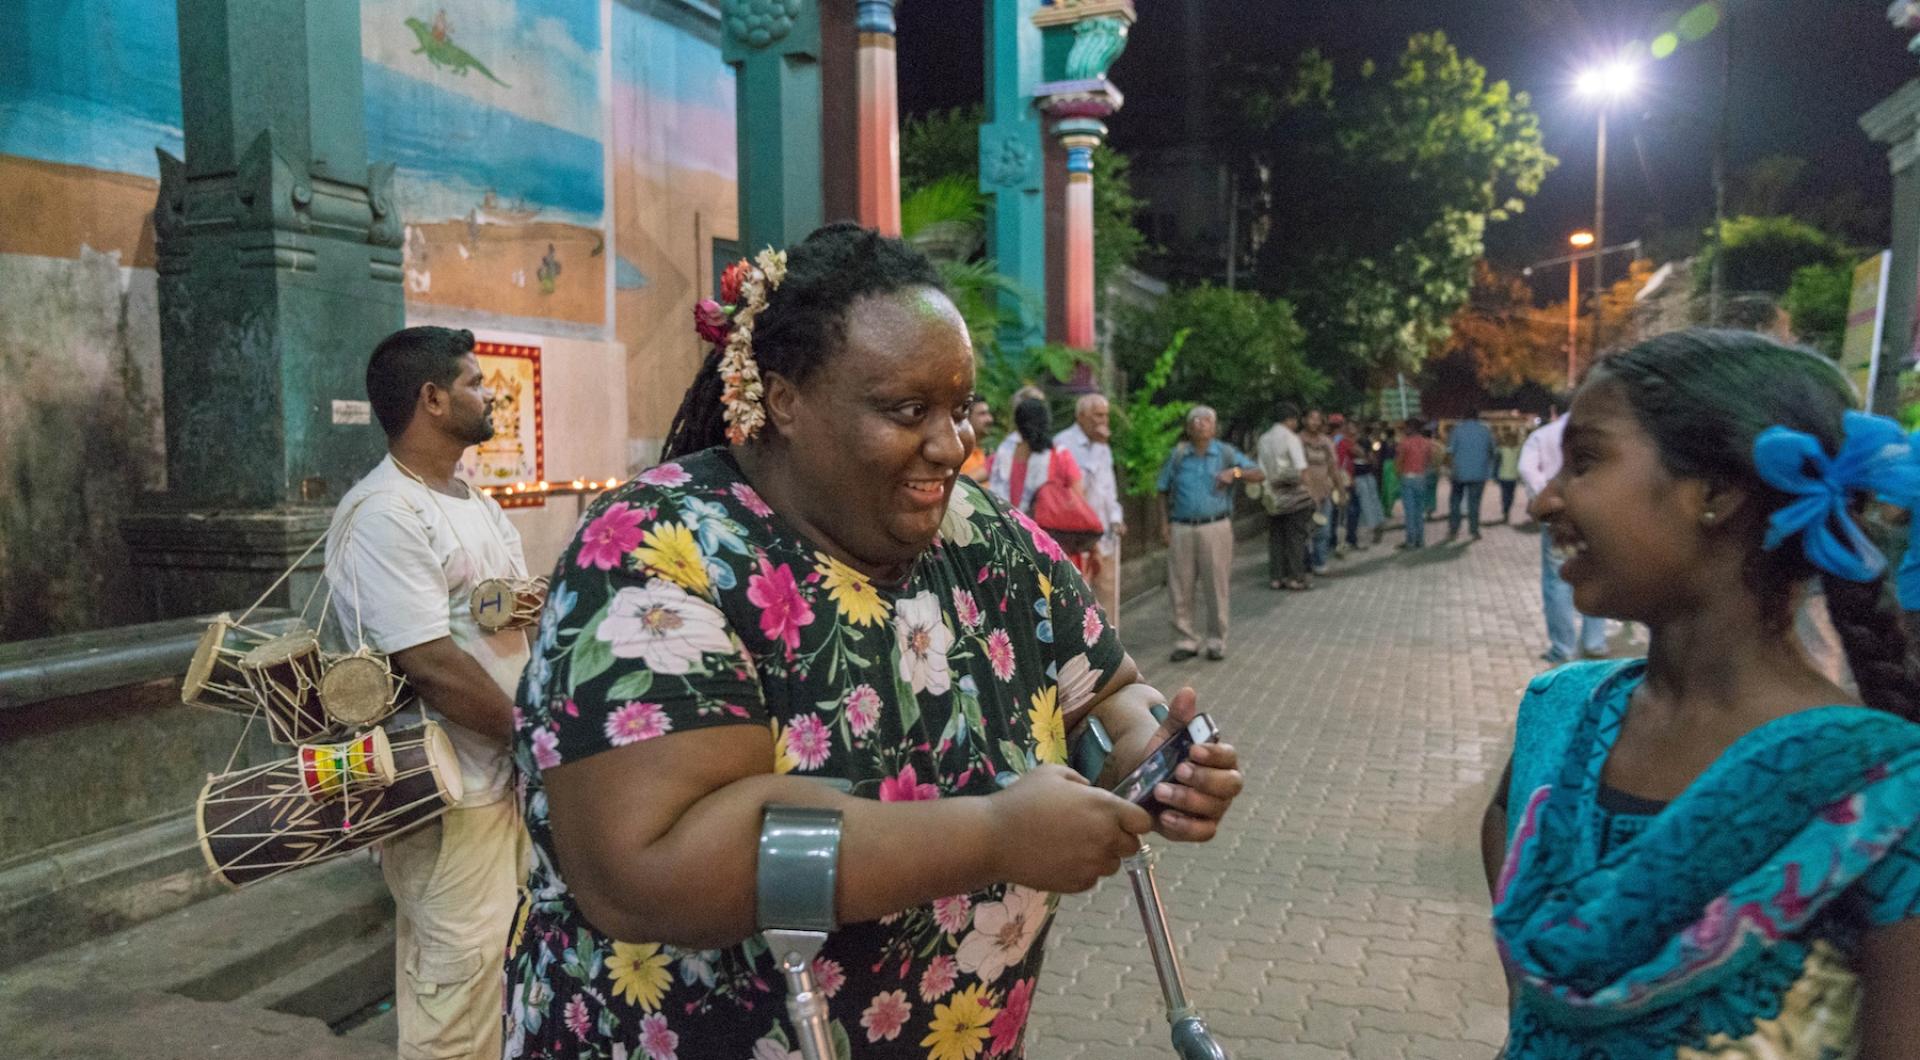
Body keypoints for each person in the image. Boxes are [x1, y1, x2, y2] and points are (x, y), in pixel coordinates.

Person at [503, 224, 1243, 1059]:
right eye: (907, 410)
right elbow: (649, 866)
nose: (950, 443)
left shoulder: (985, 537)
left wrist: (1160, 757)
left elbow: (1106, 695)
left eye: (960, 408)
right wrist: (992, 836)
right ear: (784, 400)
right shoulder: (656, 552)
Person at [1481, 329, 1920, 1057]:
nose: (1543, 502)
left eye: (1584, 460)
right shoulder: (1561, 713)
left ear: (1714, 494)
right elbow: (1503, 828)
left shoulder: (1887, 794)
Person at [322, 326, 531, 1060]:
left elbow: (497, 615)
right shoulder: (384, 514)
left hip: (499, 776)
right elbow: (430, 664)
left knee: (504, 980)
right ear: (433, 399)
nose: (487, 392)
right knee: (457, 992)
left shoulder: (468, 500)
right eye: (474, 382)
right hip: (444, 788)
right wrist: (540, 738)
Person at [1157, 405, 1263, 661]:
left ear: (1214, 427)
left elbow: (1259, 474)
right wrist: (1164, 524)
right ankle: (1185, 639)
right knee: (1180, 586)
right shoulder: (1178, 455)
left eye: (1206, 420)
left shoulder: (1225, 453)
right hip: (1182, 526)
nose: (1200, 424)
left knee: (1216, 585)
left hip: (1216, 526)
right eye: (1195, 420)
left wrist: (1235, 472)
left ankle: (1216, 640)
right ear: (1188, 427)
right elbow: (1162, 489)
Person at [1519, 411, 1610, 663]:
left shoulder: (1542, 435)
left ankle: (1563, 646)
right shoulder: (1598, 434)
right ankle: (1595, 641)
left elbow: (1526, 468)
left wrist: (1544, 494)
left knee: (1557, 580)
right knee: (1594, 572)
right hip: (1593, 515)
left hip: (1559, 520)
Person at [1056, 393, 1127, 624]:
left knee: (1108, 599)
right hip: (1079, 538)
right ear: (1082, 416)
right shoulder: (1063, 444)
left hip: (1106, 535)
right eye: (1098, 415)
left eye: (1105, 415)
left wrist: (1116, 517)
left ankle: (1111, 654)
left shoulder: (1103, 446)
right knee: (1081, 601)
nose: (1103, 421)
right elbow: (1076, 489)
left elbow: (1108, 489)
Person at [1256, 403, 1315, 591]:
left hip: (1271, 493)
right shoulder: (1291, 438)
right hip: (1293, 493)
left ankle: (1276, 577)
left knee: (1276, 536)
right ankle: (1296, 577)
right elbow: (1301, 468)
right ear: (1290, 420)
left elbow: (1261, 468)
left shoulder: (1263, 439)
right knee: (1295, 537)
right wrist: (1310, 492)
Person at [1445, 407, 1496, 542]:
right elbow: (1493, 451)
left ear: (1464, 416)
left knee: (1455, 502)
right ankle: (1474, 530)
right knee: (1474, 503)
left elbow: (1449, 452)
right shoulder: (1486, 430)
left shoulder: (1457, 430)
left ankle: (1453, 530)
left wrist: (1450, 469)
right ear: (1477, 417)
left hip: (1459, 472)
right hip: (1479, 473)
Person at [1299, 410, 1339, 573]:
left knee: (1324, 529)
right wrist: (1308, 491)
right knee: (1303, 531)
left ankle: (1320, 562)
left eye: (1318, 419)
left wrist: (1340, 490)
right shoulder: (1297, 441)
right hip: (1303, 494)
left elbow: (1333, 467)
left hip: (1324, 493)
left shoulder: (1326, 442)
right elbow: (1299, 468)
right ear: (1304, 420)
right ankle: (1302, 563)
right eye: (1311, 418)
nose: (1315, 422)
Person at [1394, 419, 1436, 549]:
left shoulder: (1404, 443)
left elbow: (1399, 462)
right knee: (1419, 511)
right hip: (1421, 478)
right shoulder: (1427, 443)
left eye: (1406, 427)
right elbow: (1429, 460)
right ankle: (1420, 540)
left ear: (1411, 428)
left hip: (1407, 478)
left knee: (1410, 512)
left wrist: (1399, 474)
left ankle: (1410, 541)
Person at [1344, 422, 1385, 550]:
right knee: (1366, 504)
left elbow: (1370, 457)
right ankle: (1373, 528)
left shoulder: (1362, 441)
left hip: (1363, 476)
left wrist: (1366, 456)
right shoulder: (1349, 442)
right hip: (1359, 476)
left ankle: (1374, 528)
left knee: (1368, 504)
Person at [958, 398, 995, 484]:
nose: (990, 419)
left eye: (988, 413)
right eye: (982, 414)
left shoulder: (979, 452)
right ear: (966, 418)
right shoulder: (958, 453)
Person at [1494, 426, 1523, 525]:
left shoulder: (1501, 449)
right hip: (1514, 476)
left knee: (1504, 494)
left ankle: (1505, 510)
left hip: (1503, 476)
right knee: (1511, 495)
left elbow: (1497, 462)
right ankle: (1508, 509)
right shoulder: (1517, 450)